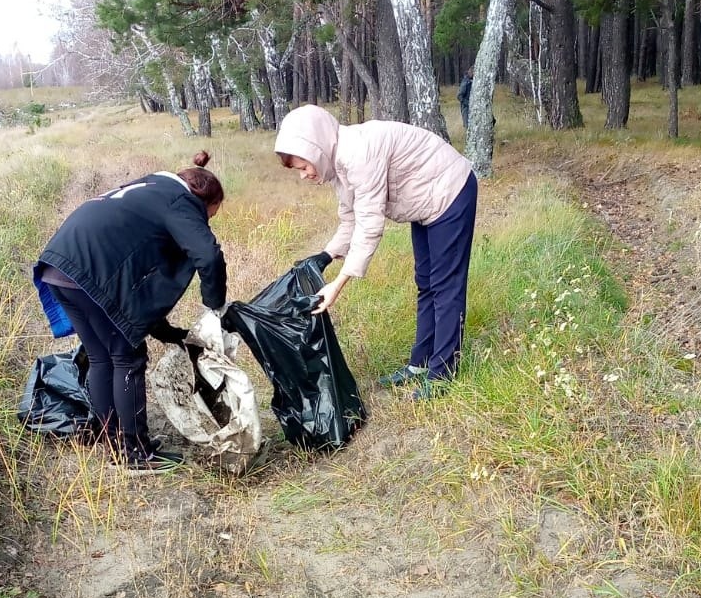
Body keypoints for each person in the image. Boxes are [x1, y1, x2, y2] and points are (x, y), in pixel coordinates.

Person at [33, 151, 227, 470]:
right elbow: (208, 256)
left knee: (101, 357)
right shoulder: (180, 200)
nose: (205, 221)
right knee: (127, 357)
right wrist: (214, 310)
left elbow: (134, 286)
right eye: (210, 214)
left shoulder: (151, 187)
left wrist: (168, 333)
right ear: (207, 201)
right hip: (87, 273)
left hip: (59, 267)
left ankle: (115, 445)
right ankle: (136, 453)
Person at [274, 106, 477, 398]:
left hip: (449, 191)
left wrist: (338, 283)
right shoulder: (338, 164)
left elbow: (369, 225)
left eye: (303, 167)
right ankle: (419, 365)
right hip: (425, 202)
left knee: (446, 286)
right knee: (426, 283)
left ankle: (442, 374)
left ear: (316, 148)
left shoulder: (358, 153)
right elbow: (350, 219)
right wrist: (325, 257)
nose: (304, 176)